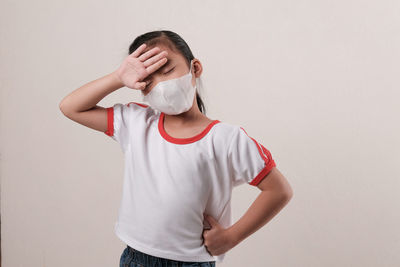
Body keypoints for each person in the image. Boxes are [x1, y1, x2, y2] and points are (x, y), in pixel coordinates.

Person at [59, 30, 293, 267]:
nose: (161, 86)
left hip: (191, 262)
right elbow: (71, 107)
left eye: (168, 70)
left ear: (195, 68)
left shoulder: (227, 139)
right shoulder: (136, 123)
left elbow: (278, 190)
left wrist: (231, 237)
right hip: (135, 259)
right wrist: (118, 78)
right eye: (148, 80)